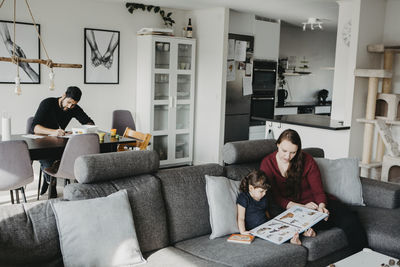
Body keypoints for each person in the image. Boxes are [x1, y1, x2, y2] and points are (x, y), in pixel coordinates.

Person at [260, 129, 367, 250]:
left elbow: (318, 191)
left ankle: (363, 256)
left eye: (293, 152)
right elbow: (276, 197)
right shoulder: (267, 163)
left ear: (298, 150)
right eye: (284, 151)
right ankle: (313, 227)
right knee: (286, 224)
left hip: (314, 204)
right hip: (289, 208)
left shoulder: (307, 160)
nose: (287, 156)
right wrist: (301, 207)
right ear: (277, 144)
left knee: (349, 219)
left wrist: (322, 206)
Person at [31, 86, 94, 197]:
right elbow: (35, 128)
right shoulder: (48, 103)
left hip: (59, 142)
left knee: (73, 154)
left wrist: (79, 130)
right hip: (41, 141)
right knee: (48, 160)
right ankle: (51, 182)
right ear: (63, 95)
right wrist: (53, 132)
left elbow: (89, 123)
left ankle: (49, 179)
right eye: (69, 102)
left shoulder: (74, 108)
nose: (70, 106)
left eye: (73, 104)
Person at [236, 169, 315, 245]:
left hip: (266, 225)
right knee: (276, 235)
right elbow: (240, 218)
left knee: (284, 228)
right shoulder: (243, 198)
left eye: (265, 191)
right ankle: (293, 240)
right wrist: (243, 231)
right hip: (256, 230)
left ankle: (304, 233)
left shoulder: (264, 197)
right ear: (251, 188)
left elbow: (269, 211)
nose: (264, 194)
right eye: (261, 191)